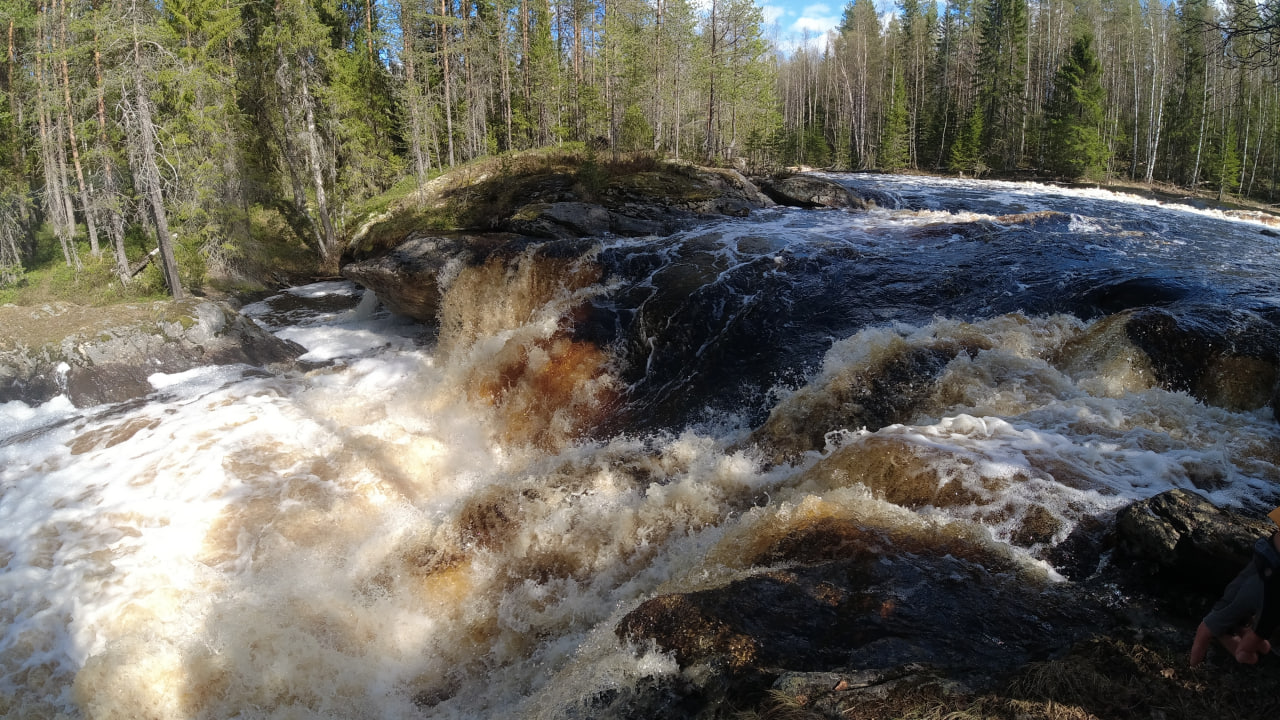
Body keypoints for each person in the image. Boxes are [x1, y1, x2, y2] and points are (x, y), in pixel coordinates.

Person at [1189, 506, 1280, 667]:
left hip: (1266, 573)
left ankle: (1192, 673)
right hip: (1264, 563)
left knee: (1208, 632)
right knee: (1242, 645)